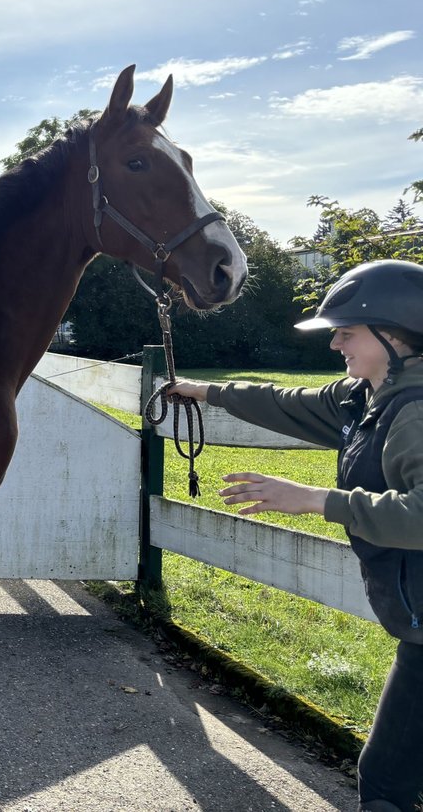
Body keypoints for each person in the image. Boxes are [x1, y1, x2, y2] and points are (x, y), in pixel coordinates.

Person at [168, 259, 423, 812]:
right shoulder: (366, 397)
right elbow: (286, 403)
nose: (335, 345)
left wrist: (313, 499)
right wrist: (205, 392)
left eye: (346, 333)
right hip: (418, 621)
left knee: (385, 781)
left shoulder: (416, 411)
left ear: (395, 335)